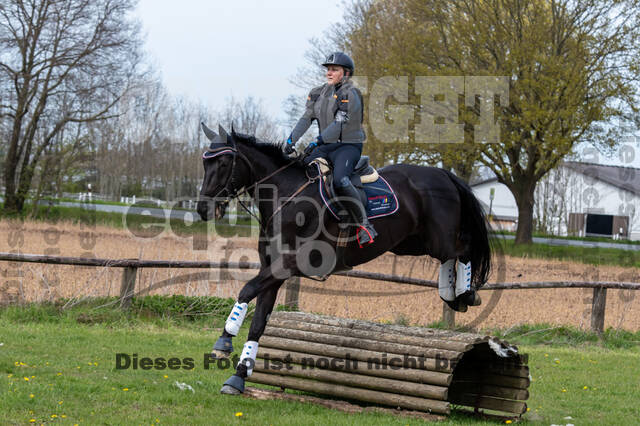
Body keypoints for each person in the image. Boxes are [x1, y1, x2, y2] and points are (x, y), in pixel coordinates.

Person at [284, 52, 377, 246]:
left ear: (346, 73)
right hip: (326, 145)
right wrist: (292, 139)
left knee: (340, 180)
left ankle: (364, 225)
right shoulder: (317, 92)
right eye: (328, 69)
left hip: (348, 146)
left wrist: (317, 141)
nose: (329, 72)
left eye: (334, 69)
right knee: (300, 172)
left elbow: (340, 123)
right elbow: (306, 118)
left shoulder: (350, 94)